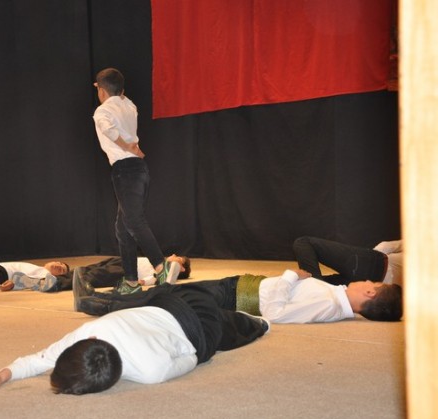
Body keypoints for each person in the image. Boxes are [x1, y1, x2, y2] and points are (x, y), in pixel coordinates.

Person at [0, 284, 268, 394]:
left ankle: (261, 322)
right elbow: (39, 361)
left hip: (196, 323)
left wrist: (1, 375)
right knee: (224, 293)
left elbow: (192, 356)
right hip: (169, 298)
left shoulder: (151, 372)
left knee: (244, 328)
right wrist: (0, 376)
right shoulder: (88, 334)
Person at [92, 67, 173, 295]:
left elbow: (109, 130)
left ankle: (161, 266)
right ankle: (131, 281)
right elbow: (121, 96)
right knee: (123, 227)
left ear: (101, 90)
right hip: (139, 168)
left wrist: (127, 146)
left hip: (125, 169)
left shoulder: (102, 111)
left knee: (134, 221)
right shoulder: (129, 105)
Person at [74, 268, 403, 324]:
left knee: (168, 296)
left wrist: (291, 277)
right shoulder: (333, 299)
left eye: (370, 281)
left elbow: (275, 313)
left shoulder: (327, 304)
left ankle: (98, 303)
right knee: (168, 294)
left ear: (370, 292)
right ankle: (103, 299)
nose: (364, 280)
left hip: (235, 296)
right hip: (239, 288)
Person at [293, 236, 403, 286]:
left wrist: (371, 256)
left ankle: (313, 288)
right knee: (315, 284)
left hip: (376, 264)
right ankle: (314, 288)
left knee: (303, 243)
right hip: (375, 289)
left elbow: (386, 246)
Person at [74, 254, 191, 289]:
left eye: (178, 258)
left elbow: (154, 278)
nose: (174, 255)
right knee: (90, 268)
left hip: (125, 271)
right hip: (124, 260)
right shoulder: (160, 261)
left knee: (95, 275)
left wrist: (142, 282)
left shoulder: (164, 273)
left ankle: (64, 282)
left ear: (181, 268)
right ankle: (66, 274)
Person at [0, 261, 70, 292]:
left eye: (61, 270)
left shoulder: (45, 274)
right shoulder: (38, 268)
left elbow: (32, 282)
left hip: (0, 273)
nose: (58, 266)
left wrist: (13, 284)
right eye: (59, 263)